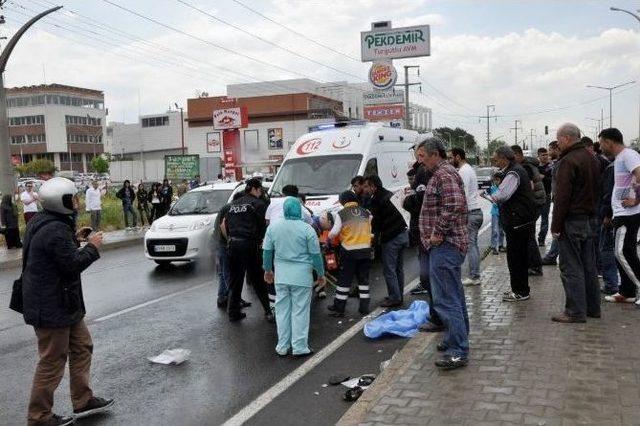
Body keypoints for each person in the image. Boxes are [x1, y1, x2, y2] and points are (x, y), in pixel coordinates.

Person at [22, 177, 113, 426]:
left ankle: (83, 399)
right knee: (52, 361)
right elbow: (71, 265)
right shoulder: (54, 230)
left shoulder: (48, 222)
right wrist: (92, 247)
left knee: (82, 346)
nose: (77, 202)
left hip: (63, 303)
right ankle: (39, 416)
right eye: (73, 198)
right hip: (52, 306)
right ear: (60, 202)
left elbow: (59, 254)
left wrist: (75, 239)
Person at [417, 138, 469, 370]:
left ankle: (458, 349)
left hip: (445, 246)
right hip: (445, 246)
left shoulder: (443, 175)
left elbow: (454, 204)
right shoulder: (442, 173)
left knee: (446, 299)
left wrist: (437, 233)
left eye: (423, 157)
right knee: (453, 296)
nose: (420, 161)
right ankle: (455, 338)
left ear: (435, 154)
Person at [550, 123, 601, 323]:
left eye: (558, 139)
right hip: (590, 219)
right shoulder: (592, 158)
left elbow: (562, 197)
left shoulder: (568, 161)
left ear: (566, 138)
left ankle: (575, 311)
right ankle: (593, 308)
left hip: (572, 220)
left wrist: (555, 226)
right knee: (589, 266)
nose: (558, 144)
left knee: (571, 267)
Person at [263, 197, 326, 356]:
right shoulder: (307, 229)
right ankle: (299, 347)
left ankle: (282, 346)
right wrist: (321, 274)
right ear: (299, 210)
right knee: (300, 312)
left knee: (282, 311)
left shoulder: (273, 228)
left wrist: (268, 270)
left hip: (281, 277)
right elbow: (316, 256)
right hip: (302, 277)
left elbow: (267, 252)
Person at [486, 146, 538, 302]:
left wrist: (489, 196)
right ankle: (521, 289)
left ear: (504, 158)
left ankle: (520, 291)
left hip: (517, 221)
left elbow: (501, 195)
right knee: (518, 257)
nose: (495, 162)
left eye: (496, 159)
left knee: (516, 258)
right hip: (520, 220)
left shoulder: (513, 172)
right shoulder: (516, 170)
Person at [599, 128, 640, 305]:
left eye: (601, 143)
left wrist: (636, 199)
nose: (601, 147)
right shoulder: (619, 158)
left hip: (628, 215)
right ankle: (627, 291)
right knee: (624, 252)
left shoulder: (628, 155)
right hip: (620, 213)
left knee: (622, 252)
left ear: (609, 141)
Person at [222, 178, 272, 322]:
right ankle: (268, 311)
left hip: (233, 245)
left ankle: (233, 312)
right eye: (260, 190)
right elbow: (265, 226)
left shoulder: (233, 205)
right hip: (249, 245)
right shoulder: (258, 204)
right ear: (255, 189)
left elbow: (226, 226)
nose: (261, 192)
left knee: (235, 280)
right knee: (258, 279)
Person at [363, 174, 409, 308]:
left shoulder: (376, 200)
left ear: (373, 186)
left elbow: (376, 222)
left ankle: (394, 297)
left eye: (367, 186)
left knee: (389, 269)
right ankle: (398, 294)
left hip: (391, 237)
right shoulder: (389, 194)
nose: (365, 189)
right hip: (402, 233)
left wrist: (374, 238)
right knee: (398, 268)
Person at [326, 191, 373, 317]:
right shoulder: (366, 212)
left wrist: (328, 238)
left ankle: (339, 308)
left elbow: (334, 232)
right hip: (365, 250)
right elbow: (370, 229)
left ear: (343, 201)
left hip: (349, 252)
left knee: (344, 281)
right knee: (363, 281)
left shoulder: (341, 214)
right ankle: (364, 308)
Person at [450, 147, 483, 286]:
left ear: (457, 157)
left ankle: (475, 276)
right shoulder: (468, 169)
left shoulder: (463, 172)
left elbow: (461, 195)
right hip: (475, 211)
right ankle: (474, 275)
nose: (450, 160)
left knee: (470, 245)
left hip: (470, 213)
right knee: (471, 244)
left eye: (451, 157)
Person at [511, 145, 545, 276]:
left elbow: (529, 187)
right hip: (536, 202)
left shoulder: (525, 167)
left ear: (517, 155)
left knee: (528, 237)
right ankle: (533, 265)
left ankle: (535, 266)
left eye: (512, 157)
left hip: (532, 204)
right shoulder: (528, 165)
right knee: (528, 236)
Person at [403, 161, 433, 297]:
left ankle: (426, 283)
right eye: (409, 179)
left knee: (424, 257)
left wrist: (405, 201)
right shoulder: (416, 189)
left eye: (412, 178)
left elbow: (416, 206)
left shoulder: (421, 188)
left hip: (421, 228)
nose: (410, 181)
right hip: (418, 227)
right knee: (422, 256)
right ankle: (426, 282)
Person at [598, 154, 619, 295]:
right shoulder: (618, 166)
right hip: (620, 213)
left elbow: (608, 193)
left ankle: (611, 284)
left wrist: (606, 214)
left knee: (606, 248)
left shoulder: (612, 168)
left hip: (610, 215)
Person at [542, 141, 561, 265]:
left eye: (550, 150)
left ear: (556, 149)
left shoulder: (560, 164)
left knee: (558, 230)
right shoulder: (554, 164)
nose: (548, 153)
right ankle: (552, 255)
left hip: (562, 203)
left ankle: (552, 255)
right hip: (558, 201)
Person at [537, 147, 553, 246]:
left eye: (546, 154)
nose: (545, 157)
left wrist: (544, 177)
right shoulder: (535, 168)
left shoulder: (551, 167)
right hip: (535, 197)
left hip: (546, 196)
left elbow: (553, 179)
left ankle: (541, 239)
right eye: (543, 155)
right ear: (538, 156)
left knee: (544, 218)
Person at [489, 173, 504, 255]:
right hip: (495, 212)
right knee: (495, 230)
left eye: (498, 180)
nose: (496, 182)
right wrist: (491, 200)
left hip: (502, 211)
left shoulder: (503, 188)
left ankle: (501, 245)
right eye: (495, 180)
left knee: (501, 229)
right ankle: (494, 246)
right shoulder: (492, 188)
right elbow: (482, 194)